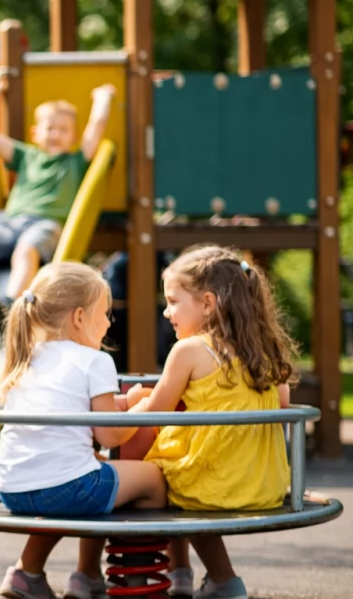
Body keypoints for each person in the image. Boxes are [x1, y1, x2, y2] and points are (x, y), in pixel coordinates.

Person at [125, 245, 297, 599]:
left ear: (207, 303)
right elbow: (281, 403)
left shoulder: (189, 351)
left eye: (173, 301)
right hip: (264, 482)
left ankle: (215, 578)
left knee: (158, 472)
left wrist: (129, 407)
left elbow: (157, 410)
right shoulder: (263, 350)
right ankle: (185, 573)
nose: (166, 311)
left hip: (216, 485)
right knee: (182, 461)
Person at [0, 262, 166, 599]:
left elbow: (85, 425)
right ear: (80, 317)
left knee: (90, 469)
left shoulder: (28, 356)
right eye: (105, 313)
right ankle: (133, 577)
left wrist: (122, 406)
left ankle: (28, 573)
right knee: (153, 480)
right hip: (66, 488)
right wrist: (144, 407)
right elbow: (111, 436)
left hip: (13, 486)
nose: (110, 323)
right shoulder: (94, 360)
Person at [0, 80, 116, 327]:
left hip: (45, 224)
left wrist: (103, 99)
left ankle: (11, 303)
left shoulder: (75, 162)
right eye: (50, 128)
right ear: (35, 133)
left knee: (26, 248)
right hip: (10, 223)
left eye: (64, 130)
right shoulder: (25, 156)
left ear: (73, 136)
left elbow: (96, 127)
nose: (56, 134)